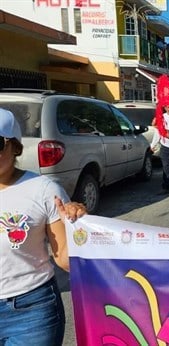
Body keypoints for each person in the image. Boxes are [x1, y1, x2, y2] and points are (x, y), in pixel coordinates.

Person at [0, 108, 86, 345]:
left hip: (30, 312)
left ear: (15, 147)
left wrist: (80, 227)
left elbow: (66, 258)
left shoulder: (44, 190)